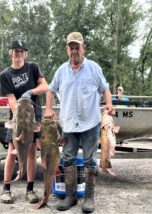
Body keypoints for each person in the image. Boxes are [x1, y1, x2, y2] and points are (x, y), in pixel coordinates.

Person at [44, 32, 114, 213]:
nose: (74, 51)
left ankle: (89, 198)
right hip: (68, 124)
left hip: (90, 122)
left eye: (77, 47)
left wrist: (109, 104)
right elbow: (50, 90)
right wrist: (49, 109)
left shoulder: (93, 68)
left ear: (83, 48)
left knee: (90, 160)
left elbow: (104, 88)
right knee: (68, 159)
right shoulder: (61, 70)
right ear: (67, 50)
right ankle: (70, 196)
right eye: (71, 47)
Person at [0, 40, 48, 204]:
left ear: (25, 54)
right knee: (12, 152)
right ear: (10, 53)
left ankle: (30, 189)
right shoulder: (5, 75)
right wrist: (20, 116)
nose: (18, 53)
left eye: (21, 51)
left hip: (34, 118)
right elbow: (11, 99)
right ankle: (6, 189)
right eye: (15, 50)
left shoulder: (33, 67)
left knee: (33, 153)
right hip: (18, 119)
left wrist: (30, 92)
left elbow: (45, 86)